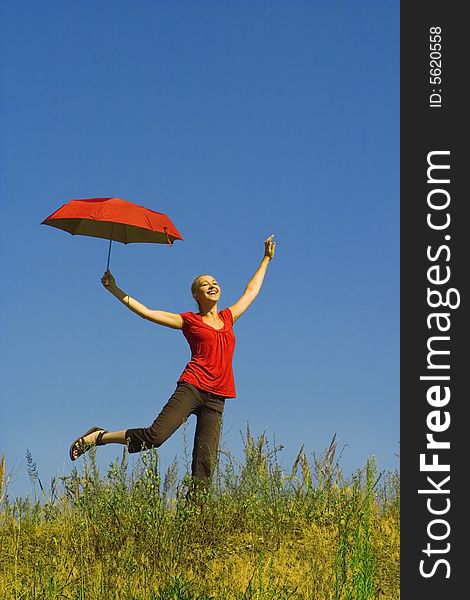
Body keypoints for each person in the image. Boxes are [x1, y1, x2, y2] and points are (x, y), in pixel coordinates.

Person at [69, 234, 276, 484]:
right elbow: (147, 313)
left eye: (215, 282)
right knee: (154, 437)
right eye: (204, 284)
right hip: (192, 387)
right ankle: (99, 437)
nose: (212, 285)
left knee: (205, 464)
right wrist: (115, 289)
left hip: (218, 396)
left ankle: (195, 518)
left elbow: (251, 292)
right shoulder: (190, 321)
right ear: (196, 295)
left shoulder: (228, 319)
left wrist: (265, 259)